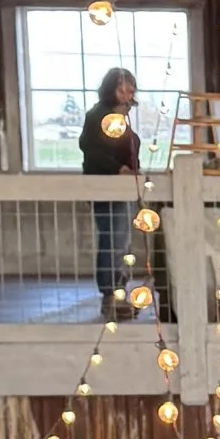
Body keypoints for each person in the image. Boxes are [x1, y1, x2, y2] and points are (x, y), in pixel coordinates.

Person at [79, 65, 140, 304]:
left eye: (130, 92)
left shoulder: (121, 116)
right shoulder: (97, 116)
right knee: (112, 239)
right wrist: (118, 168)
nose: (127, 96)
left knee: (121, 240)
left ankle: (117, 288)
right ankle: (110, 291)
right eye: (122, 91)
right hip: (106, 185)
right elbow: (91, 150)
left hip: (123, 187)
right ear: (111, 90)